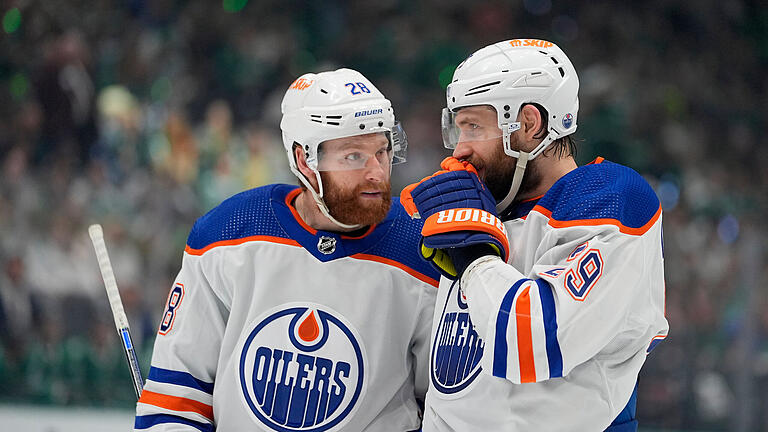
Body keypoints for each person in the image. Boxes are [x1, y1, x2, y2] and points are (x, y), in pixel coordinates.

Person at [134, 68, 439, 431]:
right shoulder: (229, 235)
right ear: (305, 160)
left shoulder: (424, 251)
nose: (376, 172)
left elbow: (444, 408)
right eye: (354, 156)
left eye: (382, 151)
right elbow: (176, 400)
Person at [401, 39, 668, 431]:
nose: (460, 150)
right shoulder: (482, 208)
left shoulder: (609, 197)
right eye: (458, 129)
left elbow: (533, 344)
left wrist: (474, 260)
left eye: (474, 126)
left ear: (529, 124)